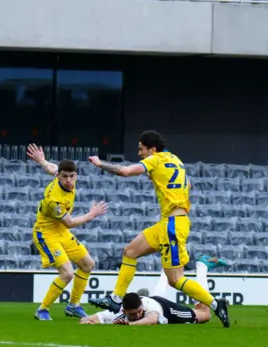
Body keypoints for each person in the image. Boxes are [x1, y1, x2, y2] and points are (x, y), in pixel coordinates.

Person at [85, 130, 230, 328]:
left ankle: (216, 304)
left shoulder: (156, 159)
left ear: (152, 149)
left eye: (141, 149)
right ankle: (116, 299)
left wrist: (100, 164)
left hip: (172, 225)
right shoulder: (175, 159)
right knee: (130, 252)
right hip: (168, 223)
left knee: (175, 279)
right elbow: (189, 185)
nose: (139, 154)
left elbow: (127, 172)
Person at [27, 143, 108, 321]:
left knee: (88, 264)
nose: (69, 181)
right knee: (67, 274)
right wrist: (91, 214)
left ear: (76, 175)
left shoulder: (61, 176)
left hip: (61, 232)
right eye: (65, 177)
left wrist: (41, 160)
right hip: (46, 234)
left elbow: (52, 168)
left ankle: (73, 305)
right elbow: (70, 223)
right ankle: (42, 309)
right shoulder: (54, 200)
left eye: (72, 176)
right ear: (60, 178)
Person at [79, 255, 228, 325]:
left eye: (139, 311)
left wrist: (130, 324)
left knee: (205, 314)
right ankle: (166, 270)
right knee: (157, 296)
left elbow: (152, 319)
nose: (138, 315)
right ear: (123, 311)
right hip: (153, 300)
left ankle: (202, 267)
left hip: (165, 309)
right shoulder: (116, 314)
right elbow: (85, 319)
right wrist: (87, 323)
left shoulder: (146, 311)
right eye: (133, 314)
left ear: (141, 307)